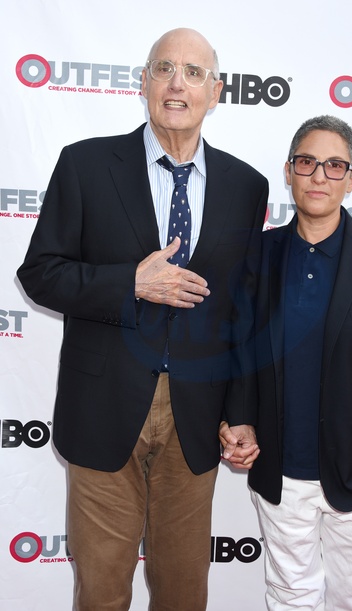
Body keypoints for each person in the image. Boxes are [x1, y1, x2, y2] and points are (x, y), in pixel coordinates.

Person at [17, 28, 267, 611]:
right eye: (164, 68)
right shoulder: (85, 165)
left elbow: (244, 313)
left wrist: (241, 412)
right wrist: (129, 282)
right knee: (102, 593)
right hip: (103, 409)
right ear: (144, 82)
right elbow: (41, 273)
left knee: (183, 594)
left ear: (216, 92)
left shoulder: (246, 186)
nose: (177, 83)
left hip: (197, 419)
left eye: (194, 72)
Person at [220, 115, 352, 610]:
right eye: (307, 162)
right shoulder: (258, 253)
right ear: (288, 171)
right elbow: (240, 350)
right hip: (281, 472)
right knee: (290, 596)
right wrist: (239, 418)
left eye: (335, 165)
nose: (319, 176)